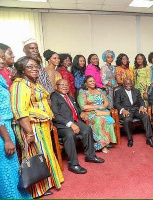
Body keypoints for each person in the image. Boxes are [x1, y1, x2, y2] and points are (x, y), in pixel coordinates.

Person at [10, 56, 64, 198]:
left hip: (42, 125)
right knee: (34, 155)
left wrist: (49, 119)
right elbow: (20, 111)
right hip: (31, 127)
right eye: (30, 66)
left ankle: (48, 182)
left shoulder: (34, 83)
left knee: (44, 153)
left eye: (36, 66)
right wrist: (29, 132)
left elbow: (44, 102)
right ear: (22, 69)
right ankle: (37, 189)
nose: (35, 69)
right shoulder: (19, 85)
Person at [51, 79, 105, 174]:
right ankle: (73, 164)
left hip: (74, 121)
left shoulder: (69, 96)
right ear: (56, 86)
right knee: (69, 134)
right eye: (62, 85)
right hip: (61, 125)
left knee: (87, 129)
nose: (65, 86)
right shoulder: (54, 96)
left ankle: (90, 156)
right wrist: (70, 124)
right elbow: (55, 114)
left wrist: (82, 113)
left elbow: (75, 109)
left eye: (67, 85)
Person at [0, 54, 32, 199]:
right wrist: (7, 139)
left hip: (6, 128)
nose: (2, 61)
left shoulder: (1, 78)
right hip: (2, 132)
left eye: (2, 57)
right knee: (5, 172)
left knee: (11, 169)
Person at [77, 76, 116, 153]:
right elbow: (84, 107)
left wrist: (102, 107)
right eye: (90, 81)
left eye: (93, 81)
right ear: (86, 83)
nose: (93, 82)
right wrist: (98, 106)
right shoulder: (83, 93)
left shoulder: (100, 91)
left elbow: (106, 102)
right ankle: (102, 144)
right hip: (91, 113)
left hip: (102, 111)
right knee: (100, 120)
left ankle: (107, 141)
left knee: (110, 120)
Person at [114, 78, 153, 148]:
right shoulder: (118, 92)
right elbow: (116, 103)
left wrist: (142, 106)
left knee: (146, 116)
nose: (129, 85)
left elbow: (141, 100)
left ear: (132, 84)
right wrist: (122, 110)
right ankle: (130, 139)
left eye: (130, 84)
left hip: (137, 110)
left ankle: (149, 138)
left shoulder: (136, 91)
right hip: (126, 111)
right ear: (123, 84)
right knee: (127, 119)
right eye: (127, 84)